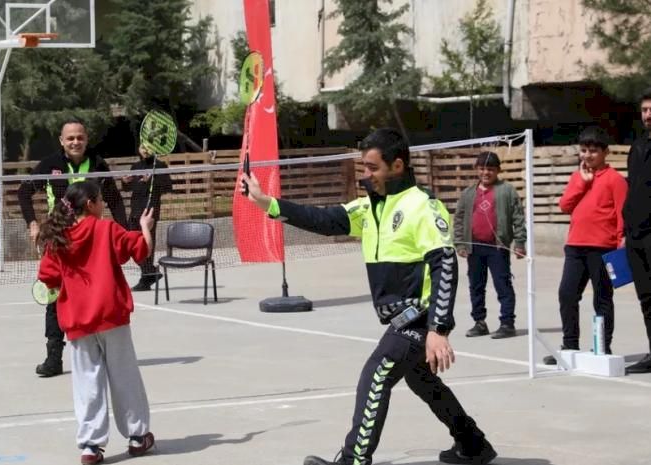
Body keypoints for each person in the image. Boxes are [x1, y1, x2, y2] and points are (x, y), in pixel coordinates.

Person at [243, 128, 496, 465]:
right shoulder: (370, 208)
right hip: (402, 319)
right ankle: (473, 444)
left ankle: (353, 460)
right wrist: (266, 202)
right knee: (421, 380)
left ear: (397, 166)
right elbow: (324, 219)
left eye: (372, 167)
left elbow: (445, 265)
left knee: (376, 374)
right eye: (364, 167)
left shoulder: (422, 206)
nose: (365, 174)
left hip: (418, 317)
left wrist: (438, 329)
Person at [37, 181, 155, 465]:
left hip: (78, 322)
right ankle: (137, 436)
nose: (103, 205)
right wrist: (146, 226)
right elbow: (142, 250)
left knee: (87, 383)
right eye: (101, 200)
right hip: (112, 316)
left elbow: (47, 279)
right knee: (125, 377)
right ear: (90, 203)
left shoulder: (57, 239)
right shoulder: (107, 229)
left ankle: (91, 446)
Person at [17, 119, 127, 378]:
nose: (75, 142)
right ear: (61, 141)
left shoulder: (99, 164)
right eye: (70, 138)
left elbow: (114, 200)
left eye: (80, 137)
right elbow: (23, 193)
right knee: (54, 300)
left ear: (86, 139)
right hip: (60, 241)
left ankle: (100, 352)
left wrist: (124, 230)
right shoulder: (49, 165)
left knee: (97, 295)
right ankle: (54, 357)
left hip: (91, 243)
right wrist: (33, 224)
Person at [544, 127, 627, 364]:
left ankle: (602, 348)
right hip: (575, 247)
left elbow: (622, 214)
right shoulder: (577, 176)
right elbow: (565, 205)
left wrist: (622, 241)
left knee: (601, 298)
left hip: (603, 248)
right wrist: (583, 181)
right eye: (583, 150)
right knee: (567, 294)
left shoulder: (616, 180)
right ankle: (569, 346)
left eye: (593, 151)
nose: (587, 155)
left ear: (605, 152)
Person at [453, 152, 526, 339]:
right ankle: (479, 322)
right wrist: (460, 242)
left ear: (498, 170)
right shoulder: (469, 193)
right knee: (476, 286)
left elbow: (518, 217)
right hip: (474, 247)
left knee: (503, 284)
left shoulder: (506, 190)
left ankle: (507, 323)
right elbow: (459, 218)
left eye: (491, 169)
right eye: (483, 168)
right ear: (477, 169)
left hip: (497, 247)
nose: (486, 172)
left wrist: (519, 242)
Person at [623, 88, 651, 374]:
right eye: (644, 110)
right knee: (647, 298)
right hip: (635, 235)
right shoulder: (638, 147)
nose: (648, 115)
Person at [121, 145, 173, 291]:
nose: (145, 150)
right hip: (135, 210)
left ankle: (146, 278)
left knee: (147, 244)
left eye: (148, 147)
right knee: (131, 244)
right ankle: (151, 271)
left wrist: (152, 181)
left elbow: (168, 187)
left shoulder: (160, 166)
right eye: (142, 147)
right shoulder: (135, 166)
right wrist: (125, 182)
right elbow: (127, 189)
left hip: (150, 212)